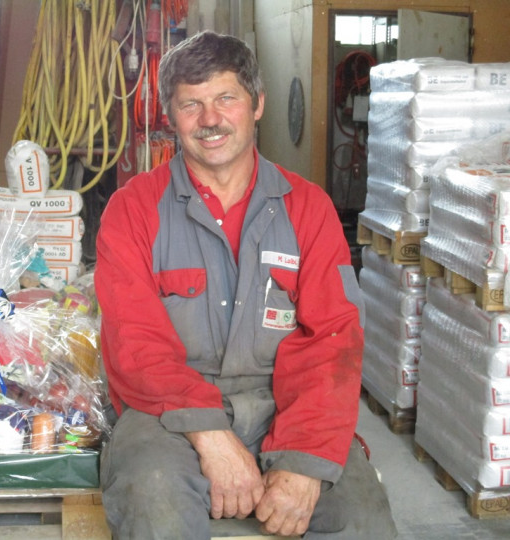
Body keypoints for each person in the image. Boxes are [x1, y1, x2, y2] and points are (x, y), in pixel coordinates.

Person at [94, 30, 396, 539]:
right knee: (155, 502)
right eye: (191, 104)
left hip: (285, 402)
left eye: (226, 99)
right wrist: (210, 435)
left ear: (257, 105)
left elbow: (333, 341)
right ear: (171, 117)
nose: (210, 119)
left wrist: (304, 462)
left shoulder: (309, 208)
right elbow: (135, 345)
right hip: (166, 414)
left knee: (362, 518)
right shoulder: (134, 210)